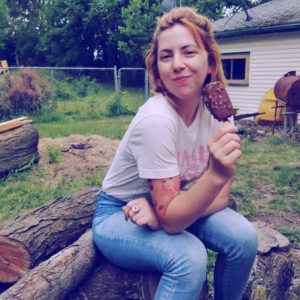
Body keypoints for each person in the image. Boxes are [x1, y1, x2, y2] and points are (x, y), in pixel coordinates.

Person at [93, 7, 257, 300]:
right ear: (157, 68)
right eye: (166, 56)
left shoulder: (219, 113)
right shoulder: (156, 120)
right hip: (118, 215)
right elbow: (177, 213)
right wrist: (169, 215)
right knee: (189, 258)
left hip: (172, 202)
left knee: (244, 239)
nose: (177, 64)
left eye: (188, 52)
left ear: (209, 62)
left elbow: (221, 197)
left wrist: (165, 214)